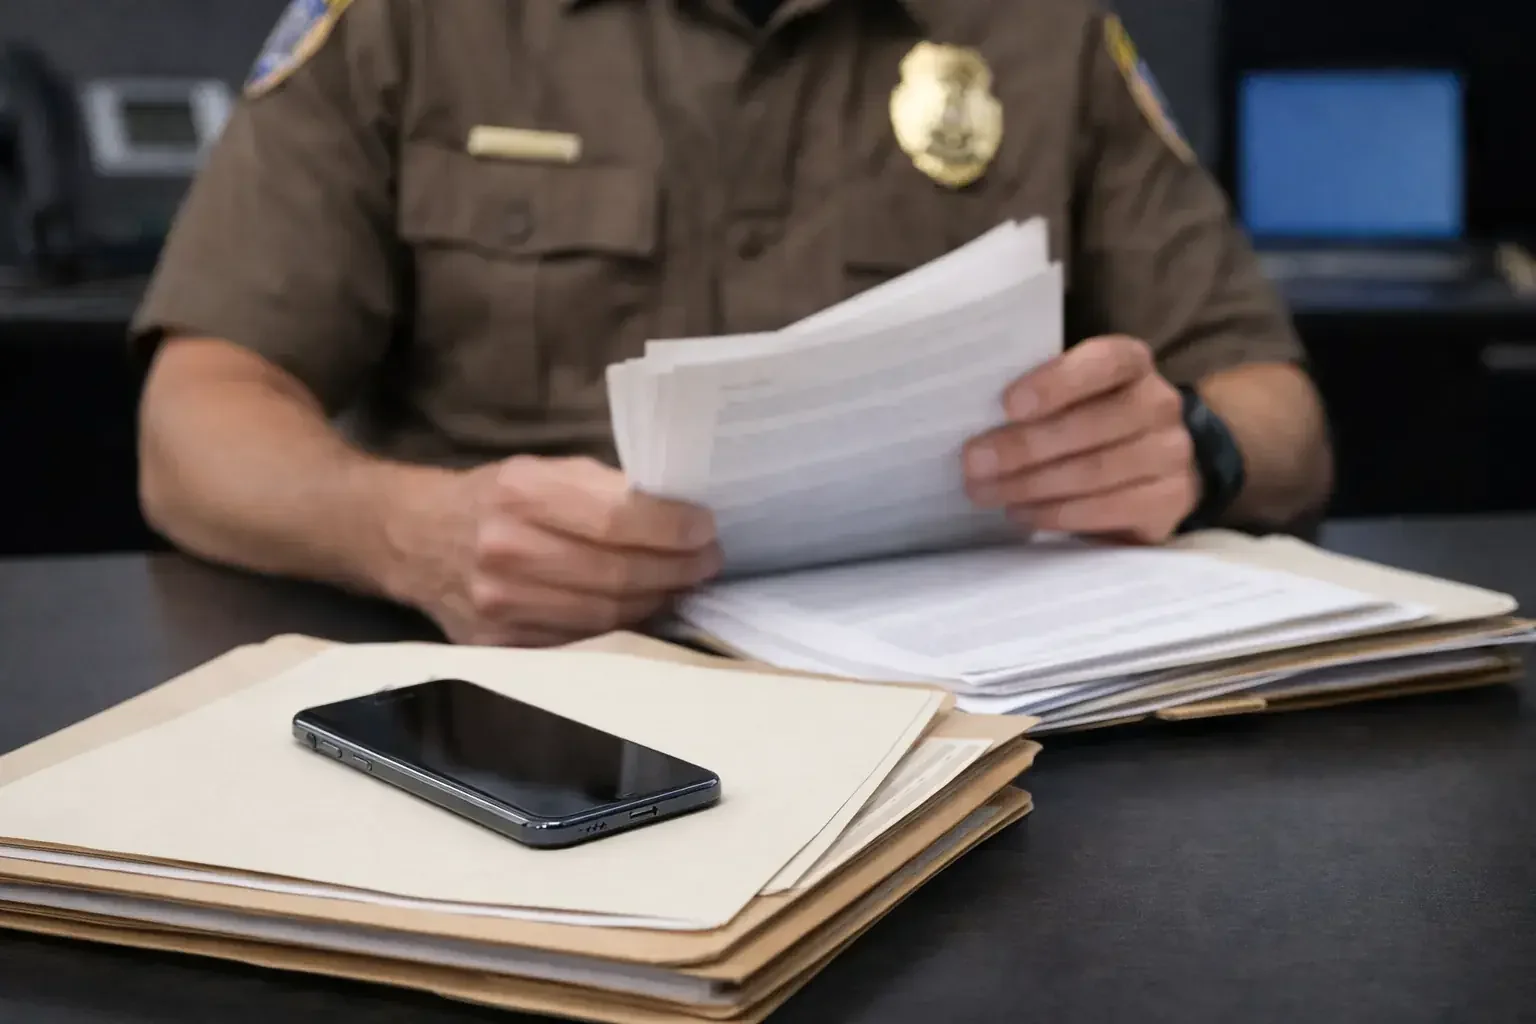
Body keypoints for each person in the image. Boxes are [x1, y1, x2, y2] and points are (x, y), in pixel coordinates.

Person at [134, 0, 1333, 647]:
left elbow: (1277, 409)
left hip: (960, 714)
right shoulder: (418, 17)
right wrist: (410, 529)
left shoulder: (1041, 27)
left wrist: (1191, 445)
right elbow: (194, 422)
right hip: (523, 702)